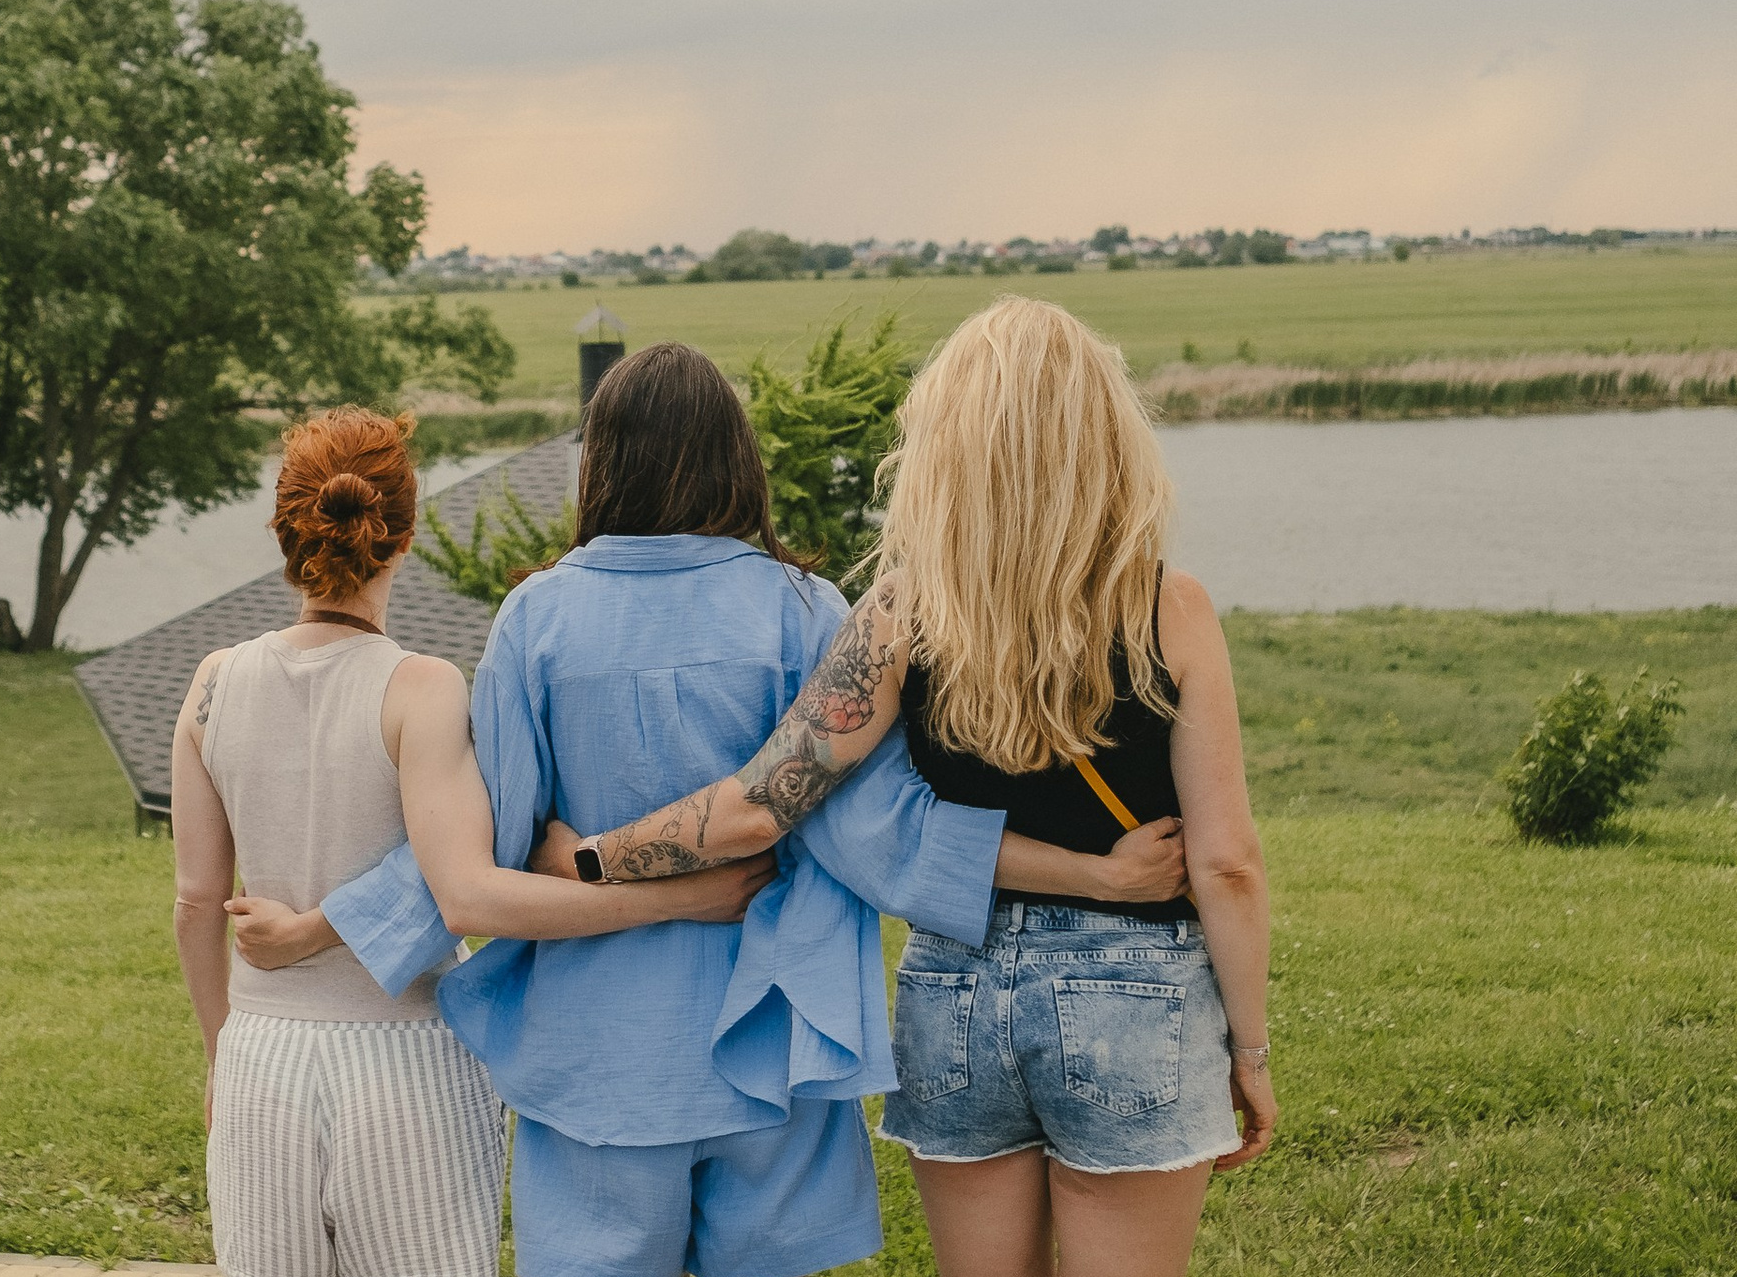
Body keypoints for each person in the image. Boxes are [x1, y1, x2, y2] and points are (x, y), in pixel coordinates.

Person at [236, 343, 1189, 1277]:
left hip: (595, 1059)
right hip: (772, 1042)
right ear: (738, 456)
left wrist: (321, 926)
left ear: (598, 463)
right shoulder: (807, 609)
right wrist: (1092, 875)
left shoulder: (538, 619)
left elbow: (487, 840)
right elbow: (876, 831)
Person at [557, 298, 1276, 1277]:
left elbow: (758, 803)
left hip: (954, 990)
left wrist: (597, 855)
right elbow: (1226, 862)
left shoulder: (898, 610)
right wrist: (1251, 1053)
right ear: (1105, 436)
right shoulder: (1170, 606)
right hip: (1135, 994)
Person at [172, 404, 778, 1277]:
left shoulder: (212, 683)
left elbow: (197, 901)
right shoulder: (423, 690)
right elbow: (475, 893)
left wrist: (221, 1055)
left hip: (260, 1052)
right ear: (404, 536)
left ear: (284, 530)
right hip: (406, 1059)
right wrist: (681, 897)